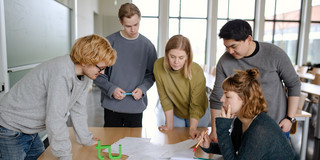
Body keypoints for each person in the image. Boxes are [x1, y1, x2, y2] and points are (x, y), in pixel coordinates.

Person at [0, 34, 117, 160]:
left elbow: (79, 109)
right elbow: (55, 117)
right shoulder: (61, 72)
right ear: (85, 61)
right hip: (10, 128)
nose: (103, 73)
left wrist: (85, 138)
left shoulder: (86, 76)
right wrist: (64, 155)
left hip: (30, 130)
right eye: (101, 68)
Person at [209, 19, 301, 142]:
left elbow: (293, 84)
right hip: (244, 127)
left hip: (277, 124)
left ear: (249, 39)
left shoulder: (274, 54)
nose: (230, 51)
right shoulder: (225, 61)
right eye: (226, 47)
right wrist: (215, 131)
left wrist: (290, 118)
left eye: (234, 46)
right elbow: (216, 98)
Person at [198, 68, 299, 160]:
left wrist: (223, 130)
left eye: (227, 96)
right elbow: (232, 148)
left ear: (244, 99)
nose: (221, 99)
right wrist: (209, 146)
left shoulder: (260, 130)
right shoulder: (240, 120)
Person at [94, 3, 157, 127]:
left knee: (134, 145)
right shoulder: (108, 43)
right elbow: (96, 73)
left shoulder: (148, 46)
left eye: (136, 24)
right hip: (112, 107)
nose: (133, 30)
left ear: (140, 19)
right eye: (128, 26)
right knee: (111, 145)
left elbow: (151, 75)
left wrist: (143, 89)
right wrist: (111, 89)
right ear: (121, 22)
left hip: (136, 107)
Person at [153, 35, 209, 139]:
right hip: (177, 111)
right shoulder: (158, 66)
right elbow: (164, 98)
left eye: (181, 57)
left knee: (195, 143)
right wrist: (169, 126)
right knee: (175, 139)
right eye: (172, 56)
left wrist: (192, 129)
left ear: (187, 56)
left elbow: (196, 105)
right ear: (166, 54)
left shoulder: (196, 71)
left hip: (199, 112)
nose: (176, 62)